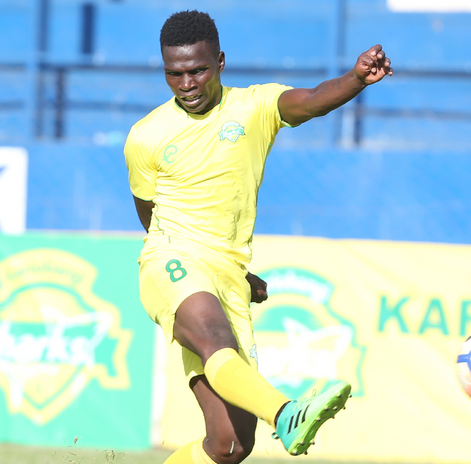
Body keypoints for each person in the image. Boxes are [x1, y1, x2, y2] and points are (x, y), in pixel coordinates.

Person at [123, 10, 392, 464]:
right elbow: (148, 212)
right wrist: (179, 258)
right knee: (214, 338)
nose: (186, 84)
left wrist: (355, 79)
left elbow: (311, 100)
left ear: (220, 62)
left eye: (197, 70)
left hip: (227, 273)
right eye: (174, 73)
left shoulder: (254, 106)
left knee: (229, 446)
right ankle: (287, 414)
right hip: (171, 258)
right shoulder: (145, 136)